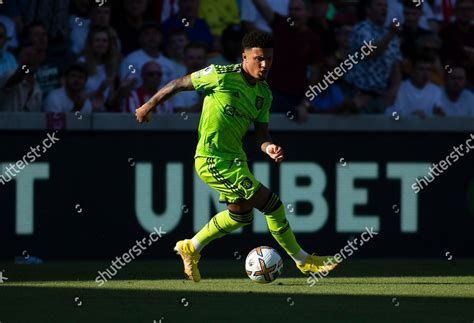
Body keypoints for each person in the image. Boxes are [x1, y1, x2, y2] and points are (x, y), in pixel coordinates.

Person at [135, 31, 337, 282]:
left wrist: (269, 148)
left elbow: (261, 135)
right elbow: (179, 84)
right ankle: (303, 261)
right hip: (212, 158)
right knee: (273, 206)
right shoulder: (220, 75)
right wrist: (147, 106)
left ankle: (191, 247)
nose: (264, 65)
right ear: (245, 56)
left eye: (269, 59)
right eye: (259, 58)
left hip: (235, 160)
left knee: (240, 215)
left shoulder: (264, 94)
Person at [343, 0, 402, 113]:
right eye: (379, 5)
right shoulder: (361, 29)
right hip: (358, 94)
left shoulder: (392, 35)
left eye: (385, 6)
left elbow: (396, 66)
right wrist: (390, 34)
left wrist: (393, 91)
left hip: (381, 96)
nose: (383, 8)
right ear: (368, 10)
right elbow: (371, 52)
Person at [386, 54, 443, 118]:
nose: (426, 73)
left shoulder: (436, 91)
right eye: (421, 69)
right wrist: (410, 117)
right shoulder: (400, 88)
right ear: (412, 70)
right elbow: (390, 113)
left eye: (428, 69)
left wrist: (439, 113)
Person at [171, 43, 207, 112]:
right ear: (184, 60)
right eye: (191, 58)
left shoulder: (215, 83)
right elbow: (180, 114)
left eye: (199, 58)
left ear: (205, 60)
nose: (195, 61)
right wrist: (202, 103)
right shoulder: (177, 85)